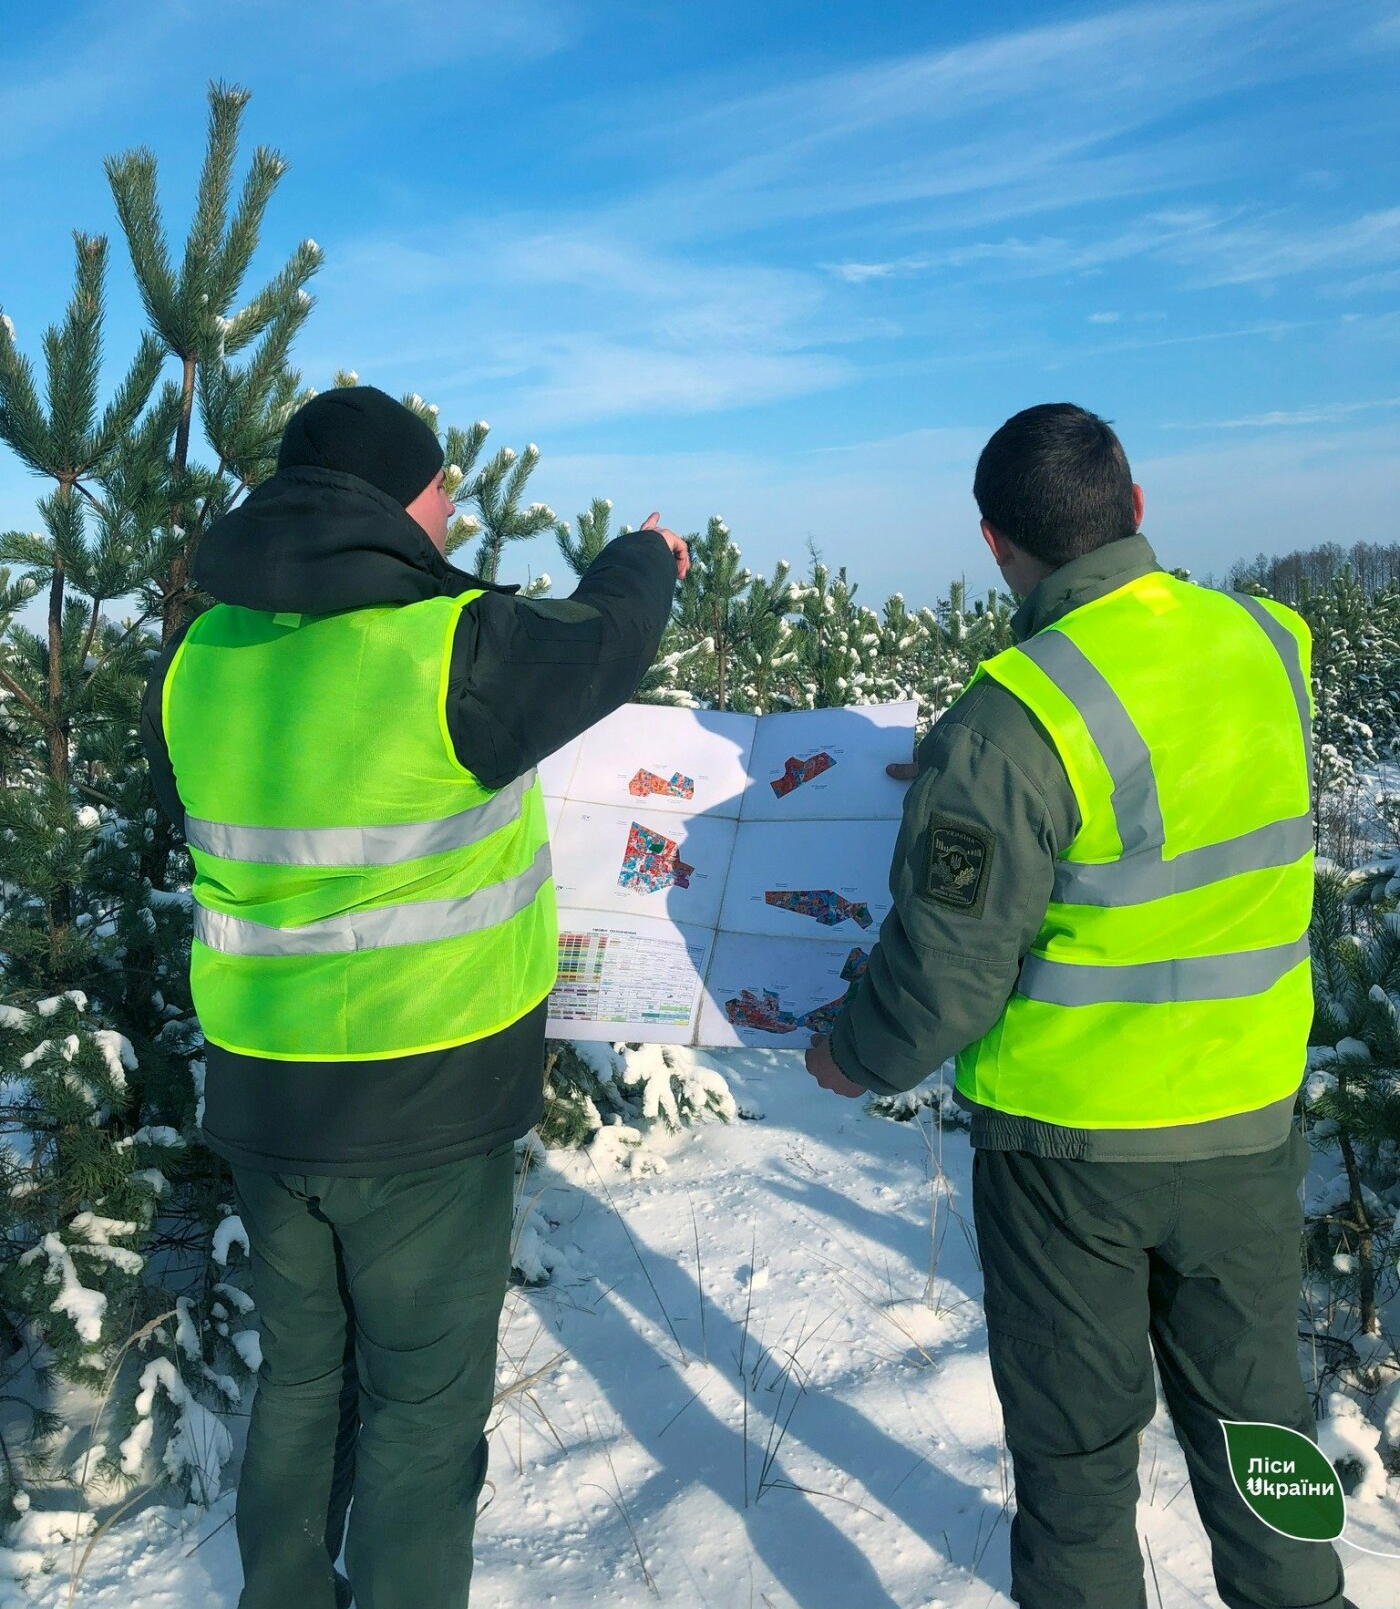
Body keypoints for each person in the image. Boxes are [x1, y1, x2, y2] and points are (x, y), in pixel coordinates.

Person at [140, 384, 688, 1609]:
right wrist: (647, 554)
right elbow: (603, 631)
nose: (452, 509)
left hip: (264, 1101)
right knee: (420, 1415)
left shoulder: (196, 658)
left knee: (297, 1381)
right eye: (442, 487)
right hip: (424, 1112)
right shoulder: (456, 647)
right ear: (396, 500)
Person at [806, 403, 1352, 1609]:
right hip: (1247, 1131)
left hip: (1068, 1161)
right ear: (1136, 508)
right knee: (1265, 1445)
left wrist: (848, 1056)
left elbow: (942, 980)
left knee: (1077, 1466)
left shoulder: (1010, 715)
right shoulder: (1270, 640)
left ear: (996, 545)